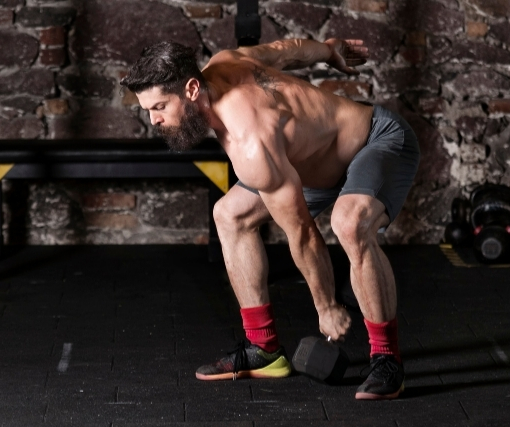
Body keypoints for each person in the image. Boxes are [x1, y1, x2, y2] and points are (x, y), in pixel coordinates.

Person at [121, 38, 420, 400]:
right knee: (229, 215)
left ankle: (386, 360)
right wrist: (328, 49)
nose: (154, 120)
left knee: (349, 223)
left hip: (375, 141)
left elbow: (303, 232)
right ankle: (263, 350)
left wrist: (326, 307)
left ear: (191, 88)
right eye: (148, 109)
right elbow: (286, 49)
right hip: (310, 165)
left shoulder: (250, 142)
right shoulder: (224, 62)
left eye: (159, 107)